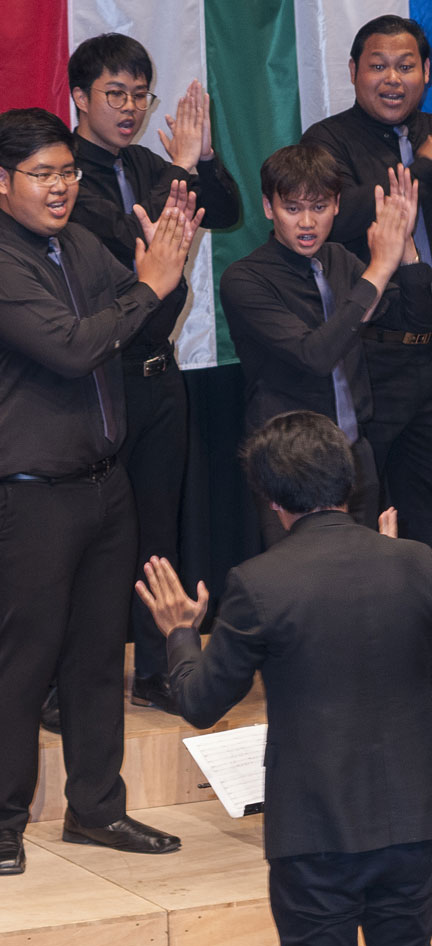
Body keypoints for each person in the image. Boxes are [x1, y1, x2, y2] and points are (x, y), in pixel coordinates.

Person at [136, 410, 432, 946]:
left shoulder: (259, 582)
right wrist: (400, 577)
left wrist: (181, 633)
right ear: (348, 479)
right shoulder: (416, 561)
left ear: (271, 499)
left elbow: (200, 702)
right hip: (415, 817)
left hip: (316, 830)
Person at [0, 107, 199, 875]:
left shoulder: (79, 243)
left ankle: (97, 808)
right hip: (31, 495)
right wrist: (148, 287)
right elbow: (72, 346)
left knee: (95, 656)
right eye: (43, 175)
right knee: (22, 663)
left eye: (68, 173)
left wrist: (166, 272)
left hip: (104, 486)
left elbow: (143, 321)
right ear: (3, 182)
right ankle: (4, 819)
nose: (60, 187)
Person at [304, 15, 432, 684]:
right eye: (378, 65)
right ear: (353, 72)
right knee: (357, 508)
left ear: (426, 73)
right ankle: (366, 658)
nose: (392, 78)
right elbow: (342, 220)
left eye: (405, 65)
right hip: (368, 353)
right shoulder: (327, 142)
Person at [63, 33, 241, 719]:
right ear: (80, 98)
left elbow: (226, 211)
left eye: (140, 95)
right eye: (115, 94)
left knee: (157, 528)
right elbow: (133, 250)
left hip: (159, 372)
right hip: (95, 378)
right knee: (89, 536)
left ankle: (158, 669)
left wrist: (201, 160)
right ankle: (69, 681)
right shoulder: (64, 175)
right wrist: (181, 174)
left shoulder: (145, 163)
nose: (130, 108)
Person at [219, 144, 432, 545]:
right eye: (292, 208)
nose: (307, 222)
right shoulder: (245, 279)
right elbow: (316, 355)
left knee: (364, 573)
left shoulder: (340, 260)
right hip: (289, 459)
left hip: (354, 453)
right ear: (268, 207)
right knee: (300, 577)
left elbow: (416, 321)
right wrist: (379, 269)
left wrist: (405, 251)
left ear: (336, 205)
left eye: (318, 207)